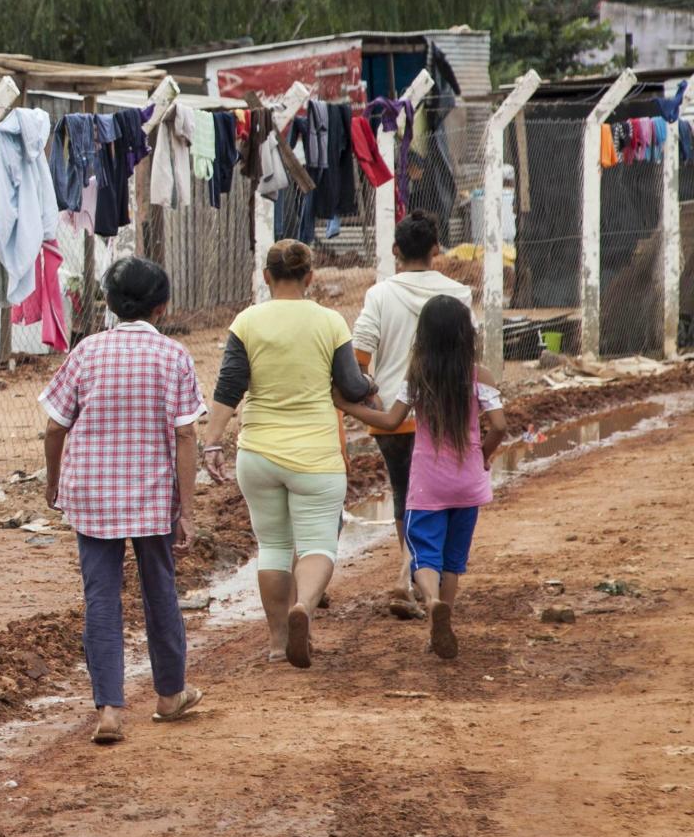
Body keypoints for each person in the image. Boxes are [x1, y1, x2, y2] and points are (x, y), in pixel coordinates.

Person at [41, 255, 205, 745]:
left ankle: (110, 710)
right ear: (162, 306)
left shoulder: (87, 353)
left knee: (101, 599)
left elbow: (54, 426)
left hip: (92, 495)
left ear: (110, 305)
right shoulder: (174, 356)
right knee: (160, 592)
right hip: (154, 497)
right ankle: (169, 695)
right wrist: (187, 510)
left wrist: (53, 483)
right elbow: (186, 436)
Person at [209, 239, 376, 668]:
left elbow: (229, 387)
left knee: (273, 545)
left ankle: (277, 642)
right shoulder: (329, 321)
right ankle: (304, 605)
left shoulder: (246, 322)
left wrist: (212, 441)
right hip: (316, 456)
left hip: (259, 453)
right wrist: (371, 386)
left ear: (265, 277)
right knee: (318, 542)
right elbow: (353, 386)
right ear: (310, 277)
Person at [340, 296, 508, 660]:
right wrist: (482, 456)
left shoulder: (418, 377)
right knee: (453, 561)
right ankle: (441, 621)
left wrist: (345, 405)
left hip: (428, 485)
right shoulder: (481, 376)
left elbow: (389, 421)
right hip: (468, 485)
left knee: (424, 557)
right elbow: (499, 426)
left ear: (424, 337)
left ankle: (432, 603)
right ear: (467, 335)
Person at [350, 212, 474, 618]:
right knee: (442, 498)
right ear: (437, 249)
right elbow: (468, 354)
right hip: (446, 415)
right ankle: (415, 577)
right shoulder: (459, 293)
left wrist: (366, 396)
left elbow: (359, 356)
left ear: (395, 251)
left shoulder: (380, 295)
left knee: (407, 495)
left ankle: (408, 574)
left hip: (393, 416)